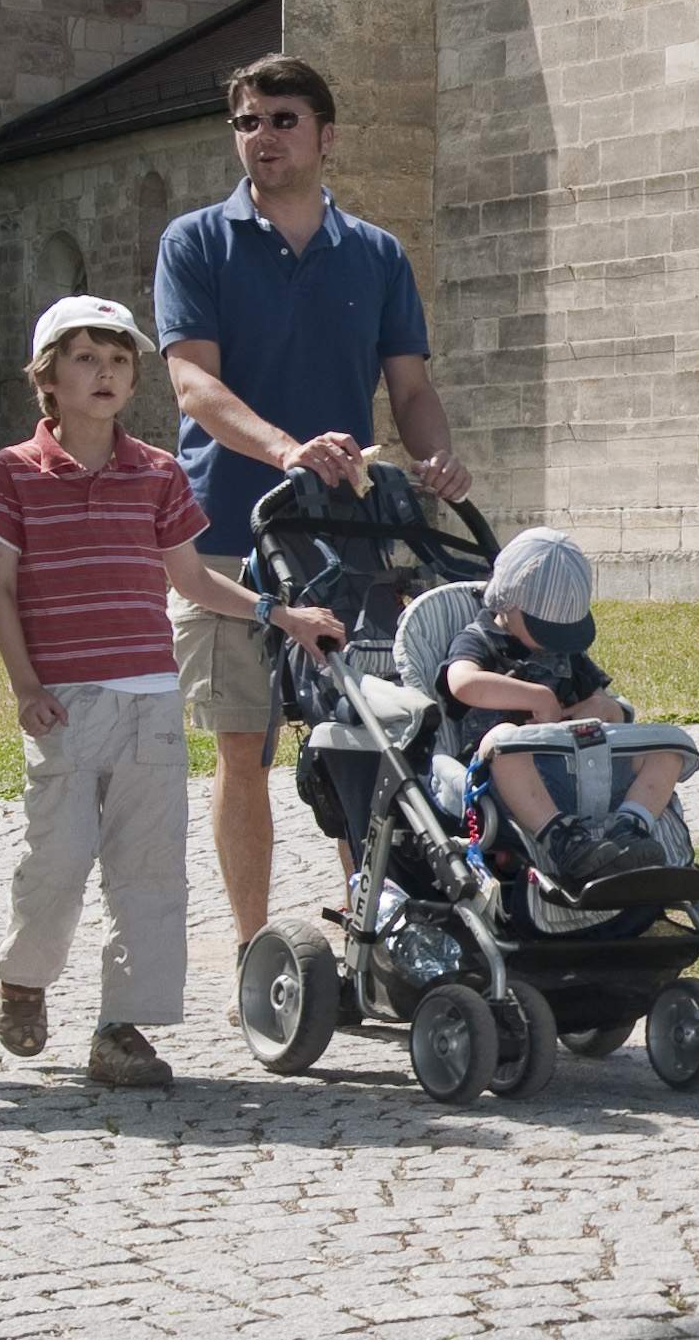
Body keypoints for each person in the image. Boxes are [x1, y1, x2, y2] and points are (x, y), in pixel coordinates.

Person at [155, 52, 468, 1047]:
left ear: (325, 136)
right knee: (242, 744)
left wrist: (436, 457)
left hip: (349, 541)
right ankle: (262, 960)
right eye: (248, 121)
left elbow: (408, 385)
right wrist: (287, 447)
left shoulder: (373, 254)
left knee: (362, 744)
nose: (263, 136)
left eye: (283, 119)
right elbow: (192, 388)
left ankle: (372, 937)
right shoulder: (196, 243)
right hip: (226, 533)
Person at [0, 293, 338, 1092]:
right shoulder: (13, 472)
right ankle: (24, 976)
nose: (104, 373)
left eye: (118, 359)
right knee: (59, 857)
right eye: (84, 358)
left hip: (149, 700)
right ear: (47, 377)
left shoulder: (159, 472)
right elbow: (0, 588)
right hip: (64, 702)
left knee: (149, 871)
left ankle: (121, 1029)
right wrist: (25, 684)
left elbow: (191, 576)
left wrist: (281, 612)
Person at [433, 526, 698, 886]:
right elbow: (462, 683)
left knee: (666, 749)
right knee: (504, 739)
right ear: (509, 602)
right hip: (511, 778)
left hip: (580, 767)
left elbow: (605, 701)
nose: (552, 643)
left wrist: (605, 709)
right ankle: (564, 841)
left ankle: (630, 828)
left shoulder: (566, 653)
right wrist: (535, 697)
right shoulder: (481, 638)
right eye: (546, 629)